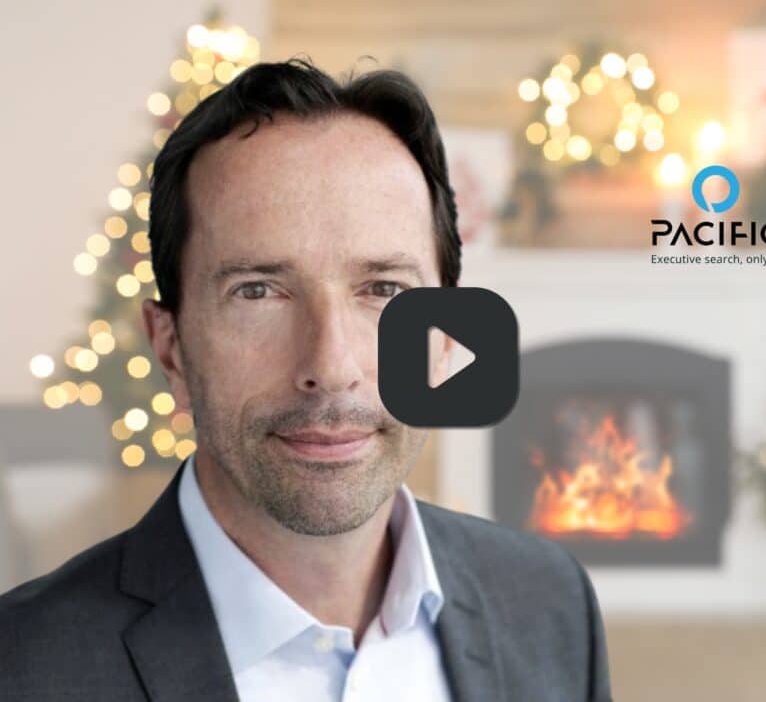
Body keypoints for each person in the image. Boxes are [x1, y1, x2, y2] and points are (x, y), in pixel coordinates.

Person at [0, 57, 612, 702]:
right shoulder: (23, 670)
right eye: (258, 291)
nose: (330, 367)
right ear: (171, 348)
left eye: (383, 289)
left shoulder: (552, 607)